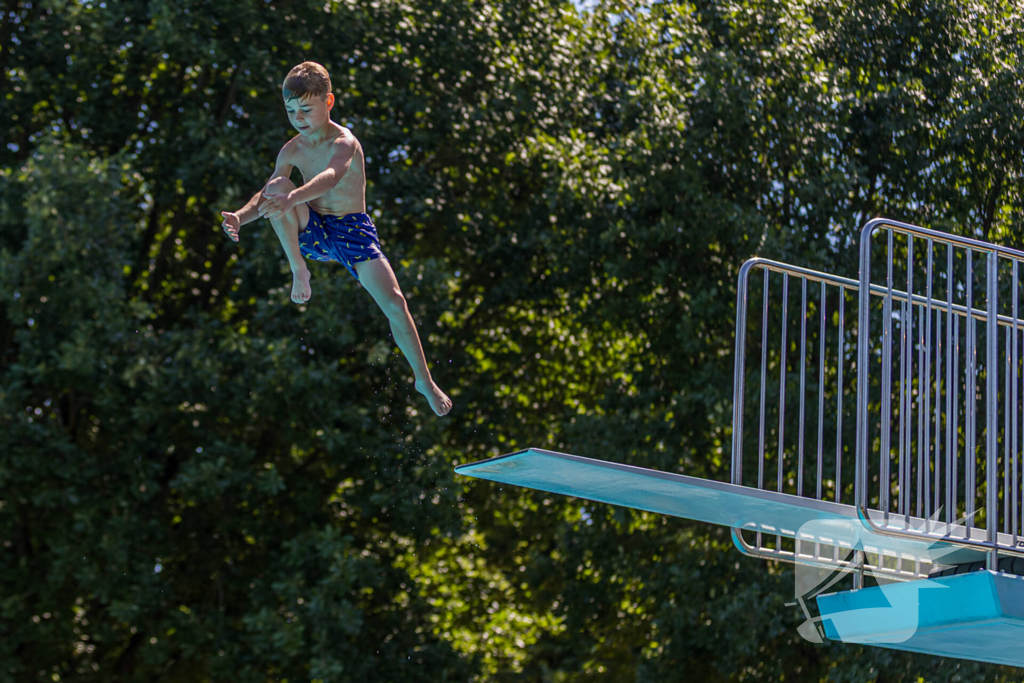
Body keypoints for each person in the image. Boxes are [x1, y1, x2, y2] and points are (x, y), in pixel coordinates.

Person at [220, 61, 452, 417]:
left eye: (306, 109)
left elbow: (330, 176)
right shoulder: (291, 150)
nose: (298, 118)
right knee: (278, 185)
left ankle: (423, 379)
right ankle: (299, 269)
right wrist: (240, 216)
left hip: (351, 230)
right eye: (291, 110)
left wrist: (292, 199)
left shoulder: (345, 142)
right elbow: (270, 195)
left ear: (328, 103)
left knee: (394, 302)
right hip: (311, 231)